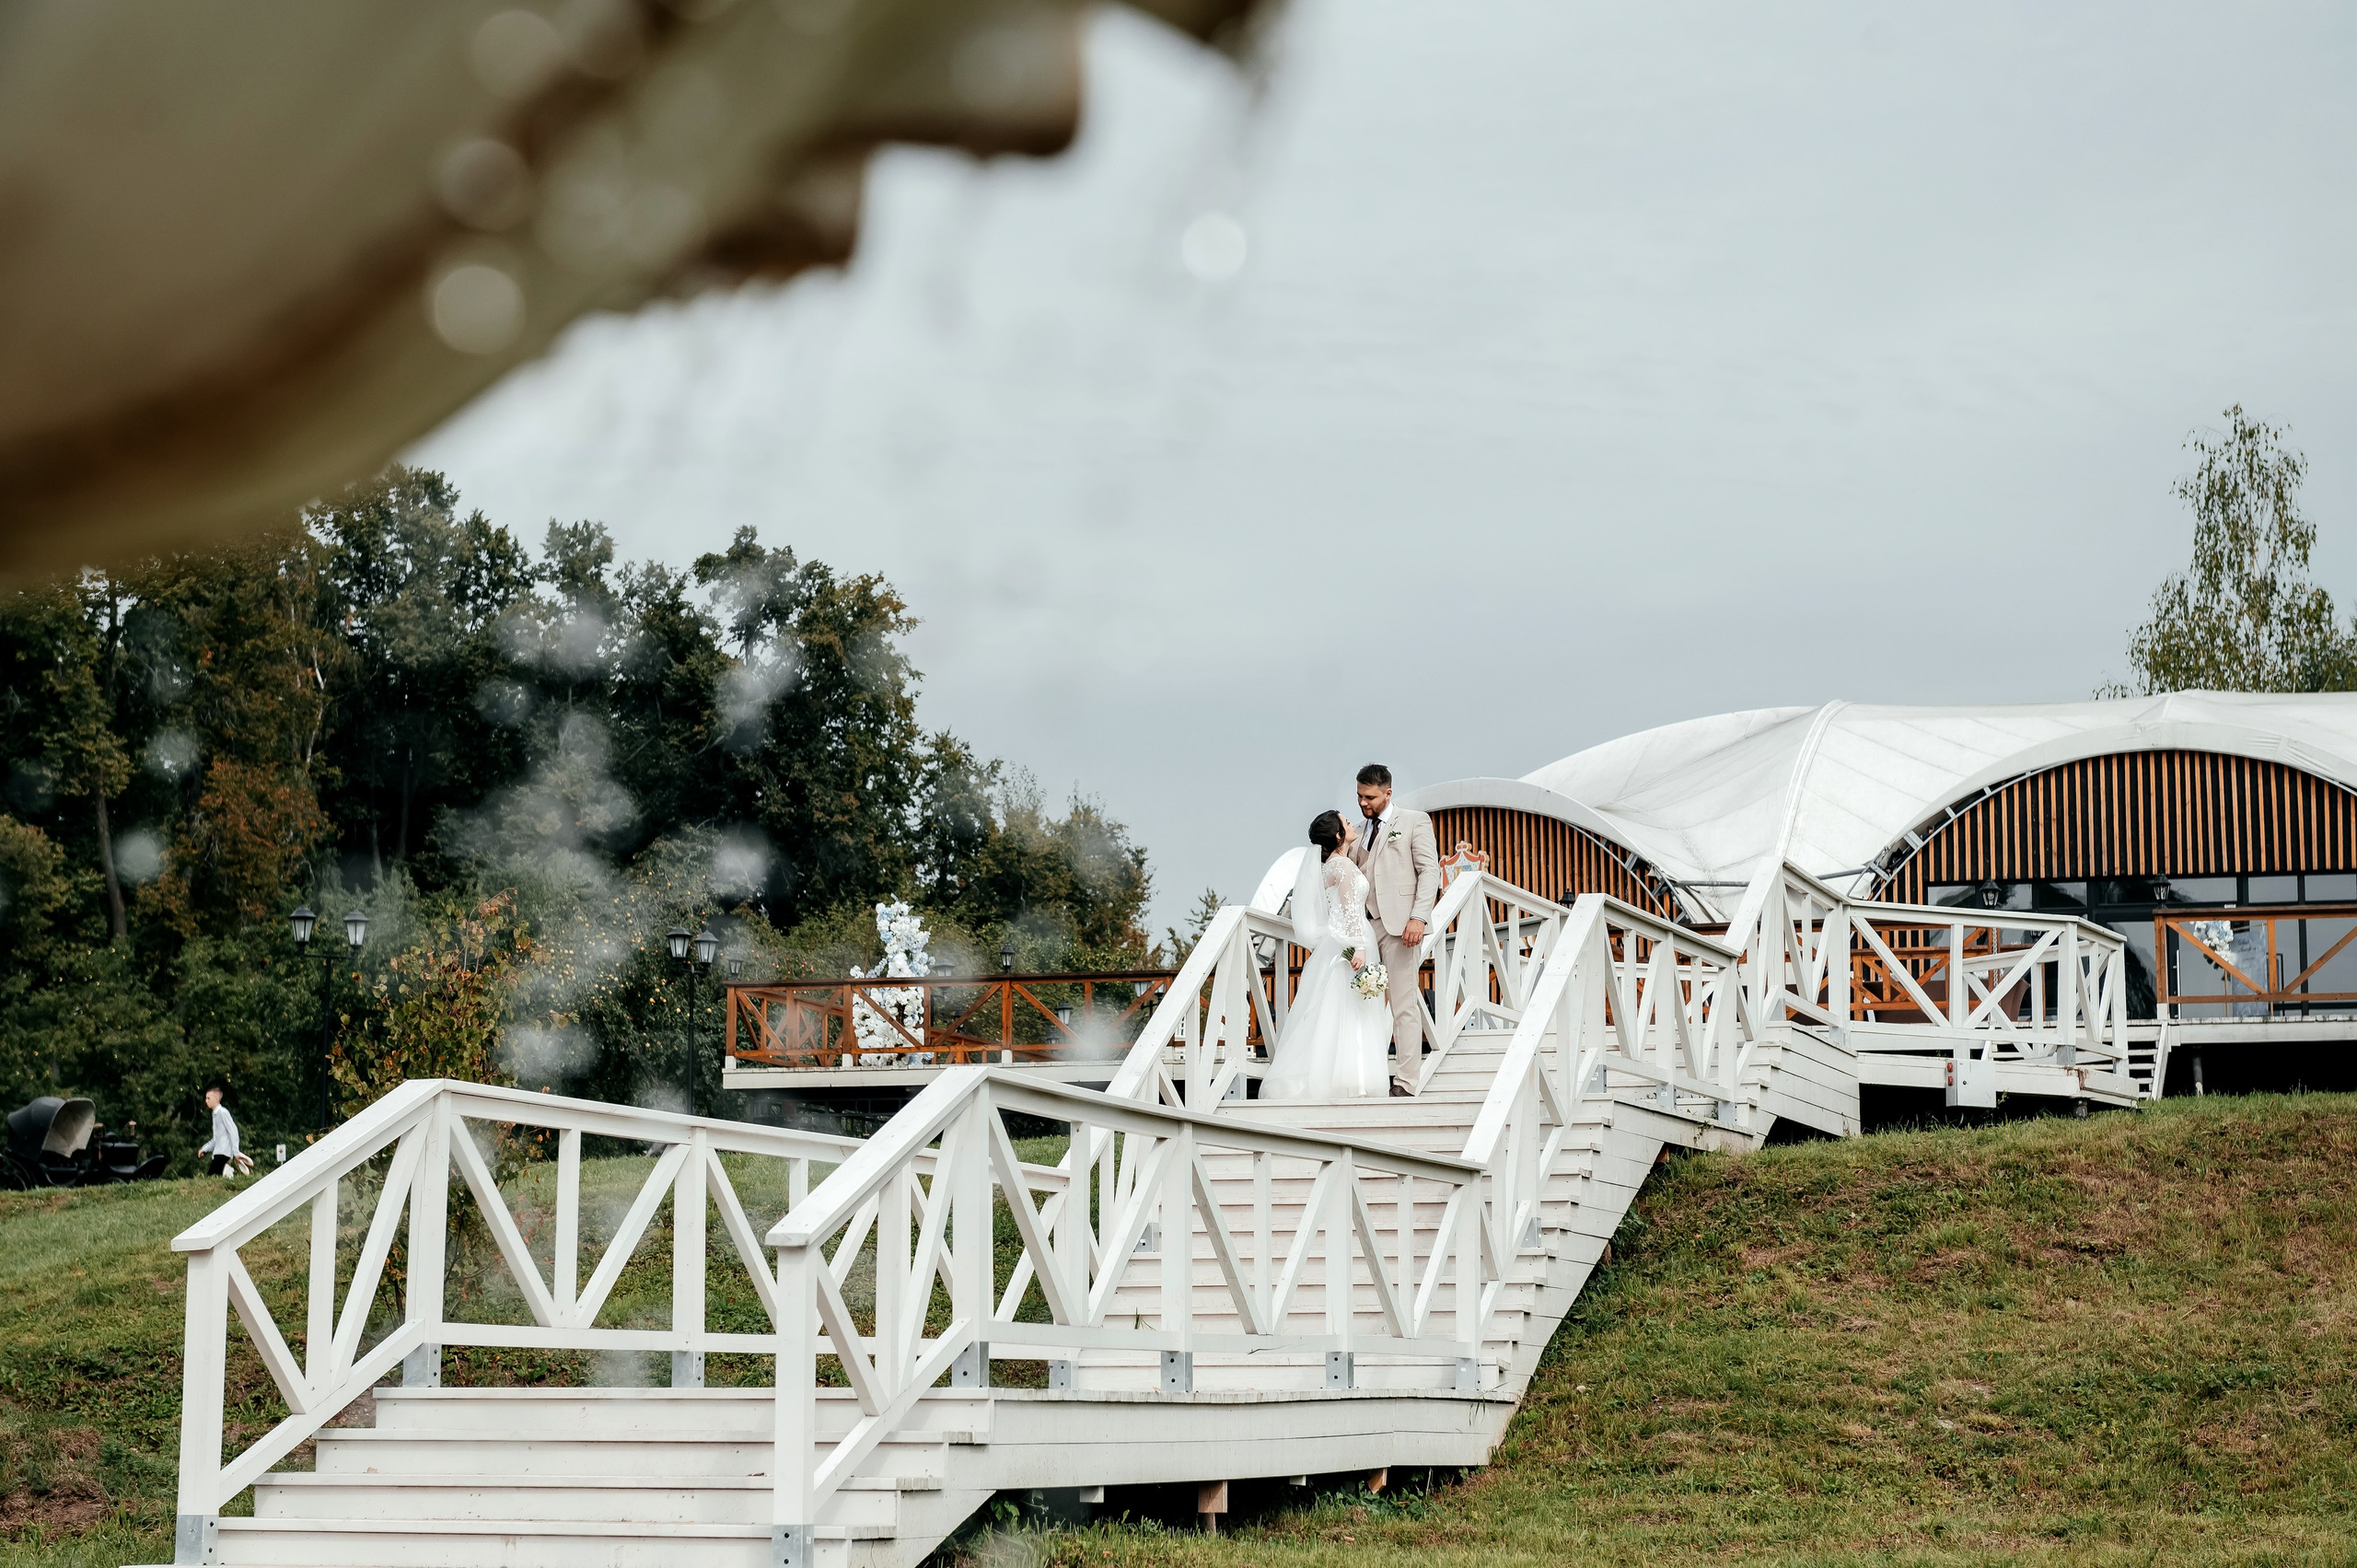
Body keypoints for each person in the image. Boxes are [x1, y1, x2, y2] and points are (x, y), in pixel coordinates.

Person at [1260, 812, 1392, 1100]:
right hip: (1351, 941)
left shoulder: (1328, 867)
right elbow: (1348, 908)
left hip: (1339, 941)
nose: (1350, 824)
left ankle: (1331, 1077)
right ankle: (1354, 1081)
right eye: (1345, 822)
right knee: (1350, 1010)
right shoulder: (1342, 865)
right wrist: (1359, 946)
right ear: (1337, 836)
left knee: (1331, 1010)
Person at [1348, 763, 1440, 1096]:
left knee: (1403, 1005)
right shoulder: (1357, 830)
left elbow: (1430, 872)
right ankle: (1363, 1077)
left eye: (1369, 797)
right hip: (1364, 927)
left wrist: (1419, 917)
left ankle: (1405, 1081)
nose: (1363, 803)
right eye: (1359, 796)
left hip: (1400, 926)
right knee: (1360, 1004)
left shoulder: (1415, 821)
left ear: (1388, 792)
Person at [198, 1086, 251, 1178]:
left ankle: (228, 1173)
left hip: (224, 1152)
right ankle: (227, 1173)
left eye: (208, 1098)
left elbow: (233, 1131)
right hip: (218, 1152)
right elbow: (217, 1138)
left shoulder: (223, 1112)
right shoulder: (215, 1114)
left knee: (212, 1177)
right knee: (213, 1176)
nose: (206, 1101)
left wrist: (236, 1152)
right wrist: (205, 1148)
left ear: (216, 1099)